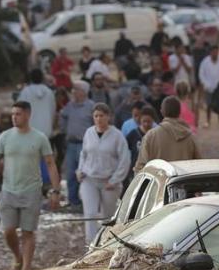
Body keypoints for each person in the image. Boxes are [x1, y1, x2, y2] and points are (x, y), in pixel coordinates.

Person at [0, 101, 60, 270]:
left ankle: (26, 268)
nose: (14, 117)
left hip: (32, 190)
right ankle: (17, 257)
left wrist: (56, 191)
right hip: (8, 190)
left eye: (18, 114)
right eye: (13, 114)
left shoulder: (39, 137)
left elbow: (50, 164)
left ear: (28, 115)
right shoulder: (5, 137)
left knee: (28, 231)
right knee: (8, 230)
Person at [78, 104, 130, 245]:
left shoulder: (117, 136)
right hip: (89, 179)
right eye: (96, 116)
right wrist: (80, 170)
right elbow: (84, 154)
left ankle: (107, 243)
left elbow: (125, 160)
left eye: (102, 115)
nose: (99, 119)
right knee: (90, 214)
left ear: (108, 117)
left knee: (108, 217)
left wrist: (115, 180)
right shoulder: (89, 133)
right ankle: (90, 244)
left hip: (109, 181)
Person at [134, 96, 201, 171]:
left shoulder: (150, 136)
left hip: (159, 182)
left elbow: (140, 168)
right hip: (184, 181)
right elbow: (199, 165)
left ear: (162, 112)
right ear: (179, 112)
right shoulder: (190, 137)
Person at [58, 82, 95, 208]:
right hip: (71, 145)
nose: (73, 92)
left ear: (84, 91)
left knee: (85, 174)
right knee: (70, 174)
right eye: (73, 89)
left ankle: (88, 201)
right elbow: (62, 116)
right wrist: (63, 129)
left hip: (85, 145)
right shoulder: (70, 106)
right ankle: (73, 201)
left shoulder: (91, 106)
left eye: (76, 89)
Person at [16, 68, 57, 140]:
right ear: (42, 78)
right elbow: (53, 111)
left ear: (31, 78)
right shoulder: (49, 92)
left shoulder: (26, 92)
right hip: (46, 131)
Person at [197, 45, 219, 126]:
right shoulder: (205, 61)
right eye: (213, 52)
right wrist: (205, 83)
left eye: (216, 52)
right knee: (209, 105)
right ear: (210, 52)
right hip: (209, 87)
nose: (215, 53)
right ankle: (208, 121)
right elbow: (201, 74)